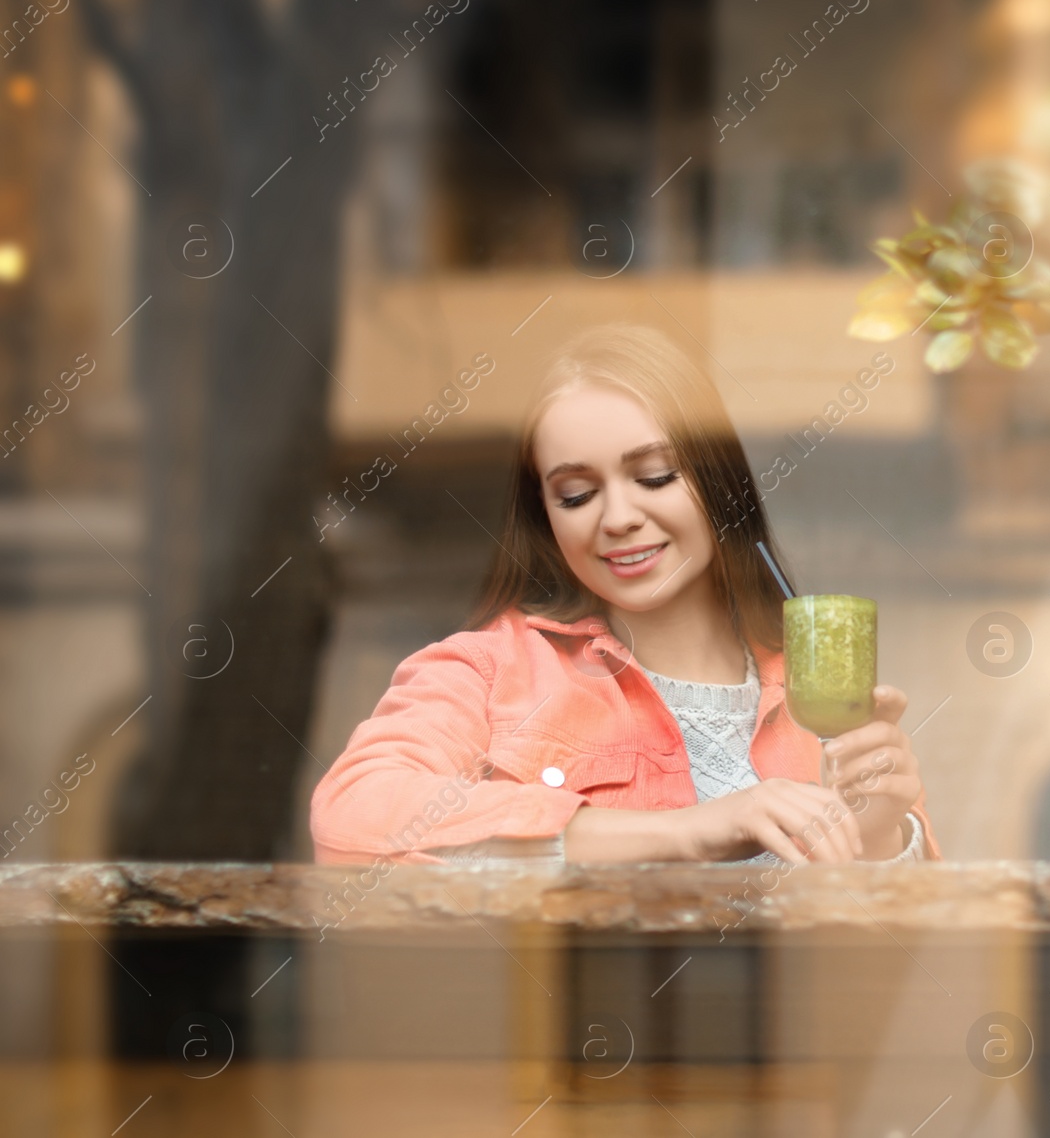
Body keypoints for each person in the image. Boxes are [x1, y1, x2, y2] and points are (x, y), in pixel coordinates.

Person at [310, 324, 937, 866]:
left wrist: (880, 838)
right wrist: (687, 832)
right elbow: (350, 822)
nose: (617, 518)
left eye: (655, 477)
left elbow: (899, 973)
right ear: (546, 516)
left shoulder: (816, 693)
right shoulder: (489, 671)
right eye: (576, 495)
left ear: (717, 480)